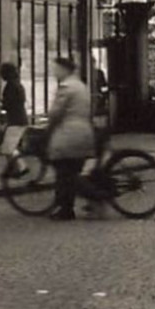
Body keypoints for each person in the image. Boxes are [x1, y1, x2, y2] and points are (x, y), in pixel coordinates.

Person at [45, 56, 98, 221]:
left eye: (56, 69)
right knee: (73, 169)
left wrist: (47, 127)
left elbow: (56, 113)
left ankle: (70, 206)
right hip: (84, 131)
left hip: (68, 133)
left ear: (65, 70)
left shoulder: (67, 87)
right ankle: (69, 206)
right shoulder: (81, 86)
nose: (55, 72)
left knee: (63, 171)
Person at [0, 62, 29, 156]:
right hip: (20, 119)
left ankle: (21, 167)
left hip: (14, 120)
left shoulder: (10, 86)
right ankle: (17, 168)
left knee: (8, 149)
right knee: (11, 148)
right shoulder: (18, 85)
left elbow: (7, 104)